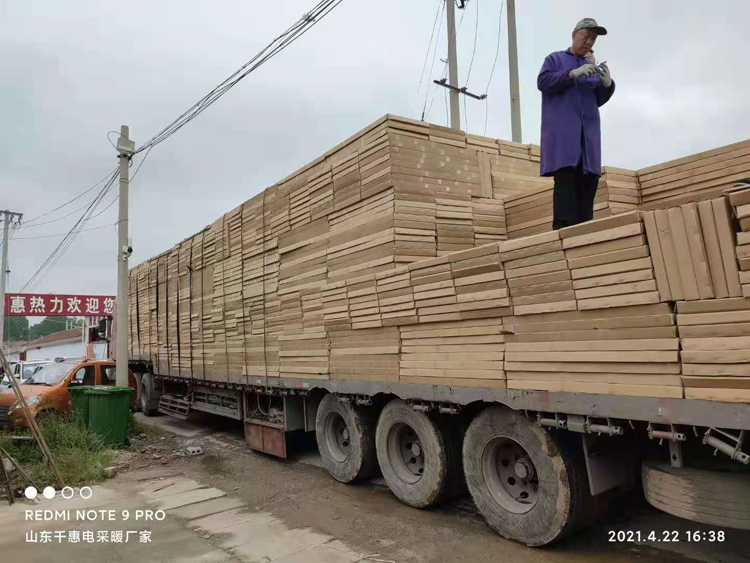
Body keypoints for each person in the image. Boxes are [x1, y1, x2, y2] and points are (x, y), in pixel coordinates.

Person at [537, 18, 615, 230]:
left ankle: (584, 245)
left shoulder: (592, 67)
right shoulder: (555, 59)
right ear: (574, 34)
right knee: (566, 204)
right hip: (565, 145)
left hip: (588, 147)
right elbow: (543, 82)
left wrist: (608, 84)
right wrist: (572, 74)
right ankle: (564, 243)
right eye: (585, 36)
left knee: (586, 208)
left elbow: (598, 99)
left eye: (593, 38)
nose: (589, 41)